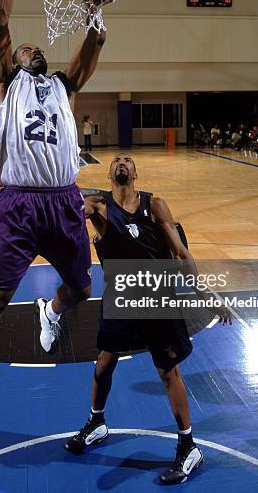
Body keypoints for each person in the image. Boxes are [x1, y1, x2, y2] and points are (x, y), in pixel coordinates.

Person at [0, 0, 107, 414]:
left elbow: (95, 41)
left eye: (38, 49)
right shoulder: (5, 84)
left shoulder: (63, 85)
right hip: (17, 204)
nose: (33, 50)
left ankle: (51, 311)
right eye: (25, 49)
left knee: (80, 290)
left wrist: (97, 4)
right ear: (13, 61)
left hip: (64, 202)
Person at [65, 154, 232, 484]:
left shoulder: (154, 204)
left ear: (136, 172)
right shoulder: (96, 206)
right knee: (103, 362)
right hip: (121, 295)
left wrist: (205, 294)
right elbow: (69, 213)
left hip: (156, 295)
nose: (122, 163)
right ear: (110, 173)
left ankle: (189, 447)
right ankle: (97, 422)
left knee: (168, 371)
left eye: (127, 160)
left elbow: (182, 254)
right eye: (116, 160)